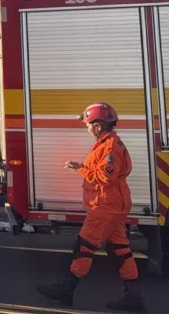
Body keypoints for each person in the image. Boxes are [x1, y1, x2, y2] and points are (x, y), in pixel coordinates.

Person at [36, 103, 146, 312]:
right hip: (112, 204)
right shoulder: (107, 143)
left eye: (87, 124)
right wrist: (82, 168)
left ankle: (67, 289)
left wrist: (80, 170)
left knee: (84, 246)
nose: (86, 128)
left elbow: (106, 177)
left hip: (105, 206)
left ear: (97, 126)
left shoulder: (110, 146)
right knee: (119, 249)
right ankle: (134, 297)